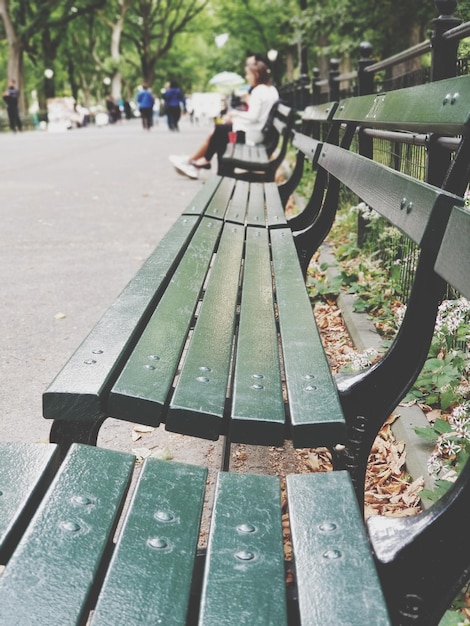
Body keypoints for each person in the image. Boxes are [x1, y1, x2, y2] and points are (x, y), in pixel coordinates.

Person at [169, 56, 278, 179]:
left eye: (248, 74)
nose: (247, 77)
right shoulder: (271, 89)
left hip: (254, 134)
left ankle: (209, 167)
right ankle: (204, 164)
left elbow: (253, 116)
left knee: (221, 130)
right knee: (221, 129)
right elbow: (258, 115)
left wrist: (235, 114)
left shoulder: (259, 90)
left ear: (257, 74)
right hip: (259, 132)